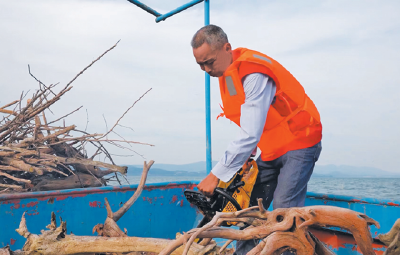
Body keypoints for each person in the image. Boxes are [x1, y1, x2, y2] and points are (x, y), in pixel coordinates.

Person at [191, 24, 323, 254]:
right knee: (249, 208)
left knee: (285, 213)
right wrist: (248, 156)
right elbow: (251, 120)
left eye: (209, 62)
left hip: (300, 141)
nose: (205, 69)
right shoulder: (229, 75)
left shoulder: (254, 73)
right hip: (272, 148)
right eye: (200, 64)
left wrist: (216, 175)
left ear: (227, 48)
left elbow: (250, 132)